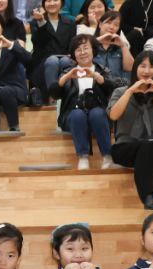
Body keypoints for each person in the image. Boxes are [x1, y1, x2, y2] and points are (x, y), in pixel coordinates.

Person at [108, 51, 153, 209]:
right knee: (147, 146)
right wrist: (130, 91)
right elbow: (113, 115)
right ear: (136, 68)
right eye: (143, 66)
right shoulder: (120, 92)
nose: (147, 71)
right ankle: (148, 196)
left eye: (152, 67)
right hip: (124, 147)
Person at [54, 35, 116, 170]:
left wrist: (96, 76)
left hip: (98, 111)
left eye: (85, 48)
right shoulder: (67, 71)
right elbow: (54, 93)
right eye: (78, 50)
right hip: (73, 112)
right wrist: (67, 77)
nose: (82, 52)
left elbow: (112, 88)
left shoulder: (102, 70)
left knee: (97, 113)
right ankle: (83, 157)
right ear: (73, 55)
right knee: (78, 115)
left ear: (93, 50)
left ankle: (107, 156)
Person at [29, 0, 77, 107]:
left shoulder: (70, 22)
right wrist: (41, 22)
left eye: (55, 0)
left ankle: (67, 99)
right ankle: (52, 96)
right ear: (43, 4)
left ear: (62, 3)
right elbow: (38, 43)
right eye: (48, 1)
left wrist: (71, 55)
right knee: (53, 61)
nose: (52, 3)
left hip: (65, 58)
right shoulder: (35, 22)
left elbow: (73, 44)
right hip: (42, 63)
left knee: (65, 61)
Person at [95, 10, 134, 83]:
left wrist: (123, 46)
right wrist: (97, 41)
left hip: (116, 86)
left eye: (116, 25)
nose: (112, 27)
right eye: (108, 23)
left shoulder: (121, 46)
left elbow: (130, 68)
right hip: (95, 85)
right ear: (100, 24)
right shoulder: (91, 43)